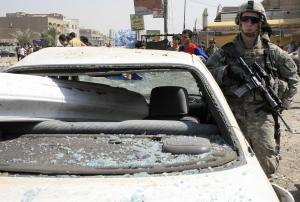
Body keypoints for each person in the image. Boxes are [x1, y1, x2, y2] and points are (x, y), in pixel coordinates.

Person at [206, 1, 299, 177]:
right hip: (231, 114)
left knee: (267, 164)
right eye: (245, 19)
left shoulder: (272, 52)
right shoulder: (226, 52)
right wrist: (226, 72)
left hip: (261, 114)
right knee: (228, 162)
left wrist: (283, 103)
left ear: (261, 22)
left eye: (254, 20)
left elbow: (293, 78)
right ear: (239, 21)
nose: (249, 23)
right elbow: (206, 73)